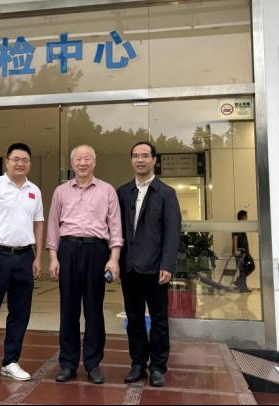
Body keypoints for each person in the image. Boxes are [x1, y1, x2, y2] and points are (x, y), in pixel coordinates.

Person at [47, 145, 123, 385]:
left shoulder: (107, 190)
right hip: (68, 250)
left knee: (94, 309)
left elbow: (115, 227)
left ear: (94, 162)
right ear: (72, 163)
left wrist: (114, 258)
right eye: (78, 159)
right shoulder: (61, 191)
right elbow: (52, 226)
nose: (82, 163)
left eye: (87, 159)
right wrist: (53, 257)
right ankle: (68, 364)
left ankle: (93, 364)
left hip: (96, 251)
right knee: (68, 309)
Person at [0, 143, 45, 384]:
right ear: (7, 162)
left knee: (20, 313)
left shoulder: (34, 190)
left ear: (29, 164)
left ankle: (10, 362)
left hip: (25, 257)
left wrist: (38, 257)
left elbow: (38, 224)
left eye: (25, 160)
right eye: (16, 159)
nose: (20, 163)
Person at [117, 141, 181, 388]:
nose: (140, 160)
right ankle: (137, 364)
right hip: (130, 267)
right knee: (133, 319)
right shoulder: (122, 192)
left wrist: (168, 264)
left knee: (159, 319)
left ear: (154, 159)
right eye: (135, 156)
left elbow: (172, 232)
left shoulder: (166, 193)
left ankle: (157, 367)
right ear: (131, 160)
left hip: (156, 269)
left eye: (145, 156)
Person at [232, 210, 251, 293]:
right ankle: (243, 287)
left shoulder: (242, 227)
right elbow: (235, 237)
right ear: (243, 217)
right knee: (242, 270)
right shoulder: (238, 226)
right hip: (240, 252)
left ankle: (239, 282)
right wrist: (235, 250)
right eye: (246, 217)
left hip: (245, 252)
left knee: (248, 268)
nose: (247, 218)